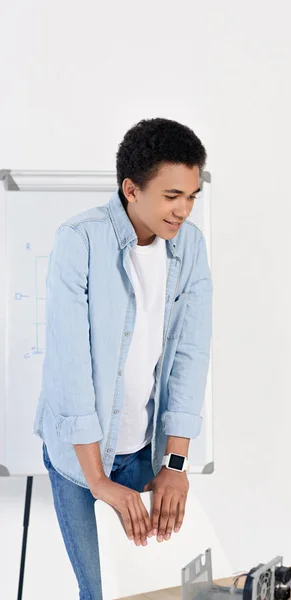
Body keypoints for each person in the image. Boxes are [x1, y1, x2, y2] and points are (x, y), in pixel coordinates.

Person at [33, 117, 212, 600]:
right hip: (78, 456)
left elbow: (190, 358)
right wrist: (96, 480)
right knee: (100, 592)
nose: (184, 210)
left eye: (193, 196)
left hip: (144, 448)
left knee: (156, 588)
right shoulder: (80, 240)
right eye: (172, 196)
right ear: (132, 190)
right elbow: (70, 370)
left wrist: (175, 463)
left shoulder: (191, 247)